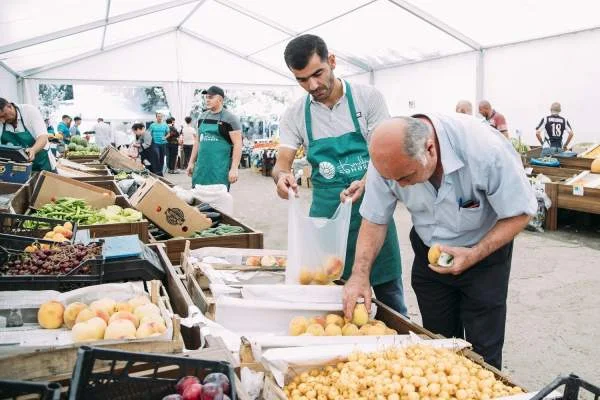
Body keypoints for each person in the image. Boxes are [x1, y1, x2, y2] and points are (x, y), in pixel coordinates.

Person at [343, 114, 537, 369]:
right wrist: (359, 275)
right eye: (393, 180)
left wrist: (474, 254)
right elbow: (375, 219)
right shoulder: (387, 163)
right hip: (429, 254)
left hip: (484, 255)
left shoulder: (485, 150)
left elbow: (521, 212)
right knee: (438, 344)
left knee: (483, 351)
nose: (400, 186)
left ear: (430, 149)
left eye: (406, 177)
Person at [272, 34, 406, 316]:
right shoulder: (296, 114)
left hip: (372, 212)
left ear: (332, 61)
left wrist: (367, 181)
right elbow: (281, 163)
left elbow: (385, 155)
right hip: (325, 218)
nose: (313, 85)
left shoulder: (367, 99)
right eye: (302, 80)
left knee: (390, 304)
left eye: (317, 74)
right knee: (330, 307)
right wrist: (282, 177)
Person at [187, 86, 242, 190]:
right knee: (198, 201)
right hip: (201, 168)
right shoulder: (202, 116)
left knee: (217, 202)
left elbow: (238, 144)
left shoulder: (230, 119)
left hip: (219, 169)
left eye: (211, 97)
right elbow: (197, 141)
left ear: (220, 99)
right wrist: (191, 162)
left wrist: (234, 168)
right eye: (206, 97)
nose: (207, 100)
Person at [0, 98, 57, 172]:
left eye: (4, 116)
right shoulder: (1, 121)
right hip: (18, 168)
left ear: (9, 106)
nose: (2, 120)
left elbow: (43, 137)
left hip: (42, 162)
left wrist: (33, 150)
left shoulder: (29, 111)